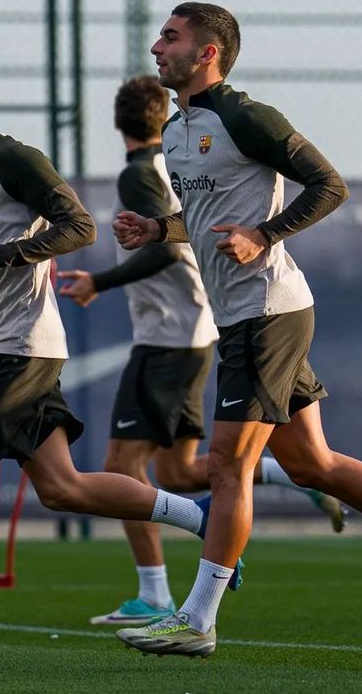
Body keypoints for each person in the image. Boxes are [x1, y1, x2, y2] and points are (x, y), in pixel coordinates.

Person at [110, 2, 362, 660]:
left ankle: (197, 619)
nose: (156, 46)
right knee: (312, 463)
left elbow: (329, 186)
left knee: (227, 464)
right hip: (245, 318)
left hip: (269, 313)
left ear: (208, 53)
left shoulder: (246, 116)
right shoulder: (175, 131)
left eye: (171, 37)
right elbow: (205, 218)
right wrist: (157, 230)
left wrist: (264, 234)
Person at [0, 48, 219, 667]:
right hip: (9, 346)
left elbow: (78, 227)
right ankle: (200, 517)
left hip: (21, 347)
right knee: (61, 488)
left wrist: (1, 256)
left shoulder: (13, 158)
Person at [57, 76, 343, 628]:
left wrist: (103, 280)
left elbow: (168, 255)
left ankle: (161, 593)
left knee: (128, 466)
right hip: (197, 328)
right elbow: (188, 230)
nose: (161, 50)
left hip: (173, 335)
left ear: (117, 123)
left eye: (169, 39)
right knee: (181, 467)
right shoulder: (176, 156)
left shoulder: (142, 173)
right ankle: (282, 483)